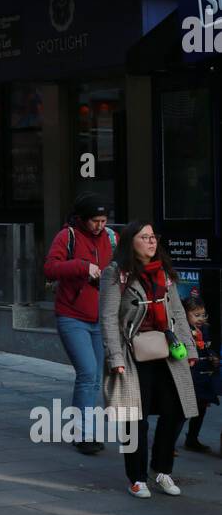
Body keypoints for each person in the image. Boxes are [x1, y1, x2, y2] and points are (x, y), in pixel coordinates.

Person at [100, 220, 197, 499]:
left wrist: (189, 349)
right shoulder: (115, 273)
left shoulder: (163, 272)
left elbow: (176, 311)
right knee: (134, 418)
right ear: (131, 242)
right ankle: (137, 478)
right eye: (145, 237)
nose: (152, 242)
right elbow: (108, 318)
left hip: (166, 350)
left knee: (178, 409)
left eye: (153, 237)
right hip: (132, 354)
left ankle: (162, 469)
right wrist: (114, 356)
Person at [43, 194, 117, 456]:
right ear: (83, 219)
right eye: (95, 221)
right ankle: (83, 434)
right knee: (87, 373)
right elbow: (50, 268)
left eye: (104, 220)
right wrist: (83, 267)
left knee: (96, 377)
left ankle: (89, 431)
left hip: (101, 318)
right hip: (72, 315)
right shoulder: (67, 236)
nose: (100, 225)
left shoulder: (111, 237)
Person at [176, 295, 220, 454]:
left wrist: (213, 356)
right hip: (190, 372)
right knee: (184, 409)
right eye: (196, 315)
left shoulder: (205, 329)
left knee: (202, 407)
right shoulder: (182, 330)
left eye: (203, 315)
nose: (201, 318)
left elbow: (208, 346)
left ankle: (192, 438)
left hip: (204, 373)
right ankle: (169, 443)